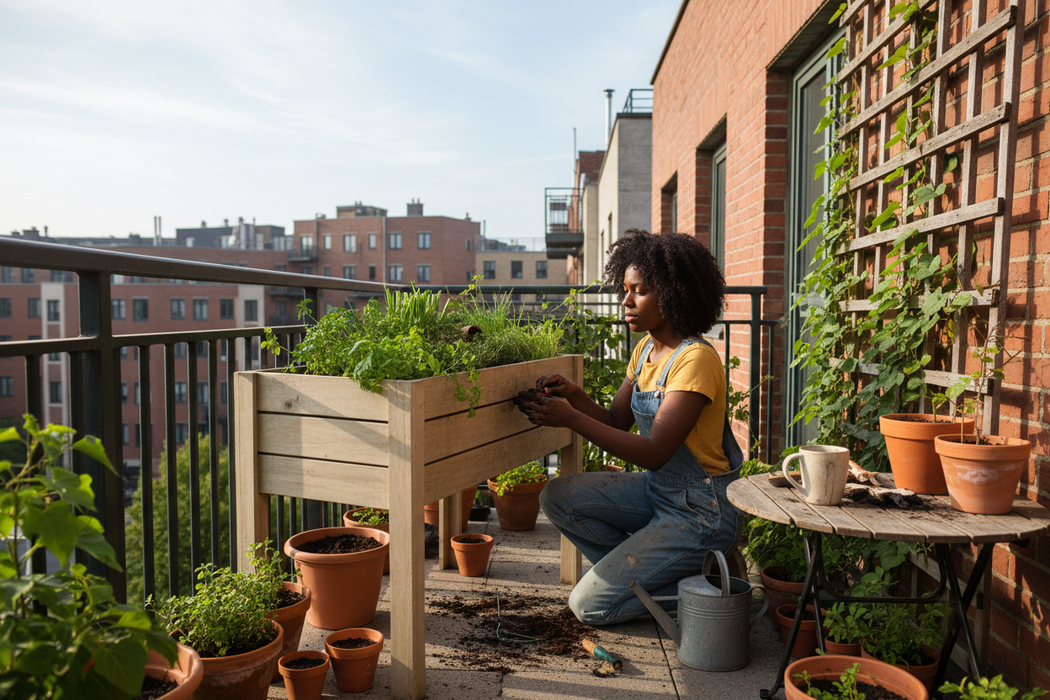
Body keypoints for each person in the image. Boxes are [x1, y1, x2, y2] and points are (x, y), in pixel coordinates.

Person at [516, 228, 743, 626]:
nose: (626, 300)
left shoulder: (695, 360)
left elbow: (656, 452)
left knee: (588, 605)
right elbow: (615, 421)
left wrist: (570, 418)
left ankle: (708, 592)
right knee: (558, 496)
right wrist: (575, 396)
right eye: (625, 289)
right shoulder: (645, 351)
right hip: (659, 494)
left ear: (673, 294)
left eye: (640, 291)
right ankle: (645, 575)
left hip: (701, 512)